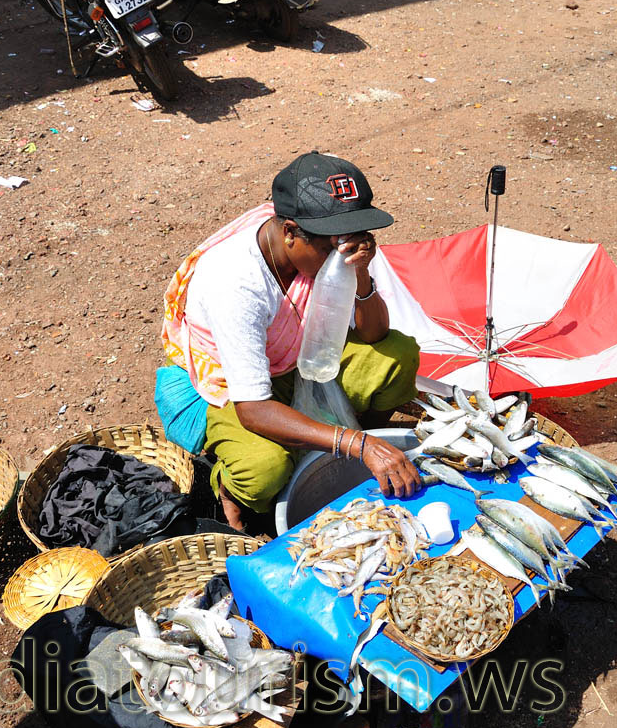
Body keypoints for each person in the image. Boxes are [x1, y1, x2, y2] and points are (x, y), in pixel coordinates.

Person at [158, 152, 422, 531]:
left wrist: (360, 274)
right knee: (265, 470)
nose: (343, 253)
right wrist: (356, 445)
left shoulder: (330, 249)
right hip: (235, 387)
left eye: (350, 240)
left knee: (396, 356)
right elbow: (253, 409)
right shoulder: (236, 282)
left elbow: (374, 334)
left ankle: (354, 437)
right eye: (333, 246)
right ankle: (230, 490)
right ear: (290, 233)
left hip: (299, 356)